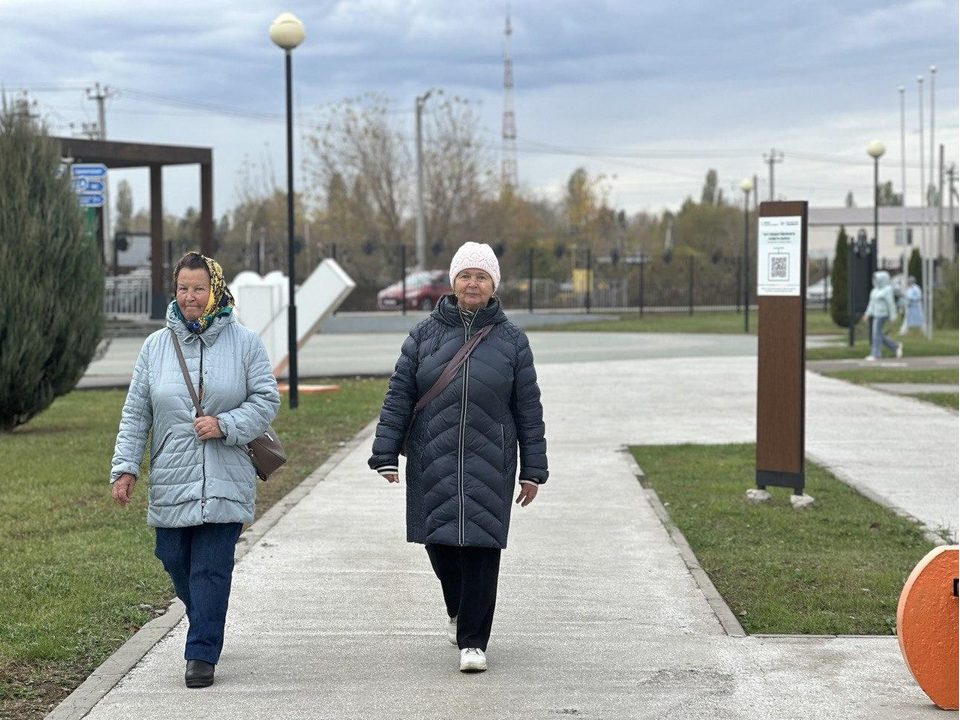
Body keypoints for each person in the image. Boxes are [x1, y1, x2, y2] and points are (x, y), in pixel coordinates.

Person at [368, 241, 548, 674]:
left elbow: (528, 407)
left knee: (483, 547)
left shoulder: (512, 341)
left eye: (481, 277)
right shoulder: (423, 335)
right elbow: (399, 396)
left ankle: (473, 641)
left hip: (492, 460)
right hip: (434, 455)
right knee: (439, 540)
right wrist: (385, 452)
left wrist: (534, 470)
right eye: (465, 275)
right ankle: (458, 608)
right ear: (452, 282)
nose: (473, 283)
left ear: (493, 286)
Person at [110, 252, 280, 688]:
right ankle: (207, 612)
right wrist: (126, 468)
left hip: (227, 475)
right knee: (173, 558)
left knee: (210, 567)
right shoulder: (155, 346)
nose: (190, 296)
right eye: (183, 288)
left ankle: (201, 653)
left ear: (215, 291)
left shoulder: (245, 342)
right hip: (172, 476)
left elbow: (266, 400)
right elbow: (136, 414)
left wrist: (225, 425)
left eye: (199, 289)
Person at [862, 270, 902, 361]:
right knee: (878, 334)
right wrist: (867, 314)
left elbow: (890, 304)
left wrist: (893, 316)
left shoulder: (887, 290)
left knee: (875, 333)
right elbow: (871, 304)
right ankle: (895, 346)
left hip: (883, 314)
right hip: (875, 314)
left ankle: (875, 354)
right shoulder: (874, 290)